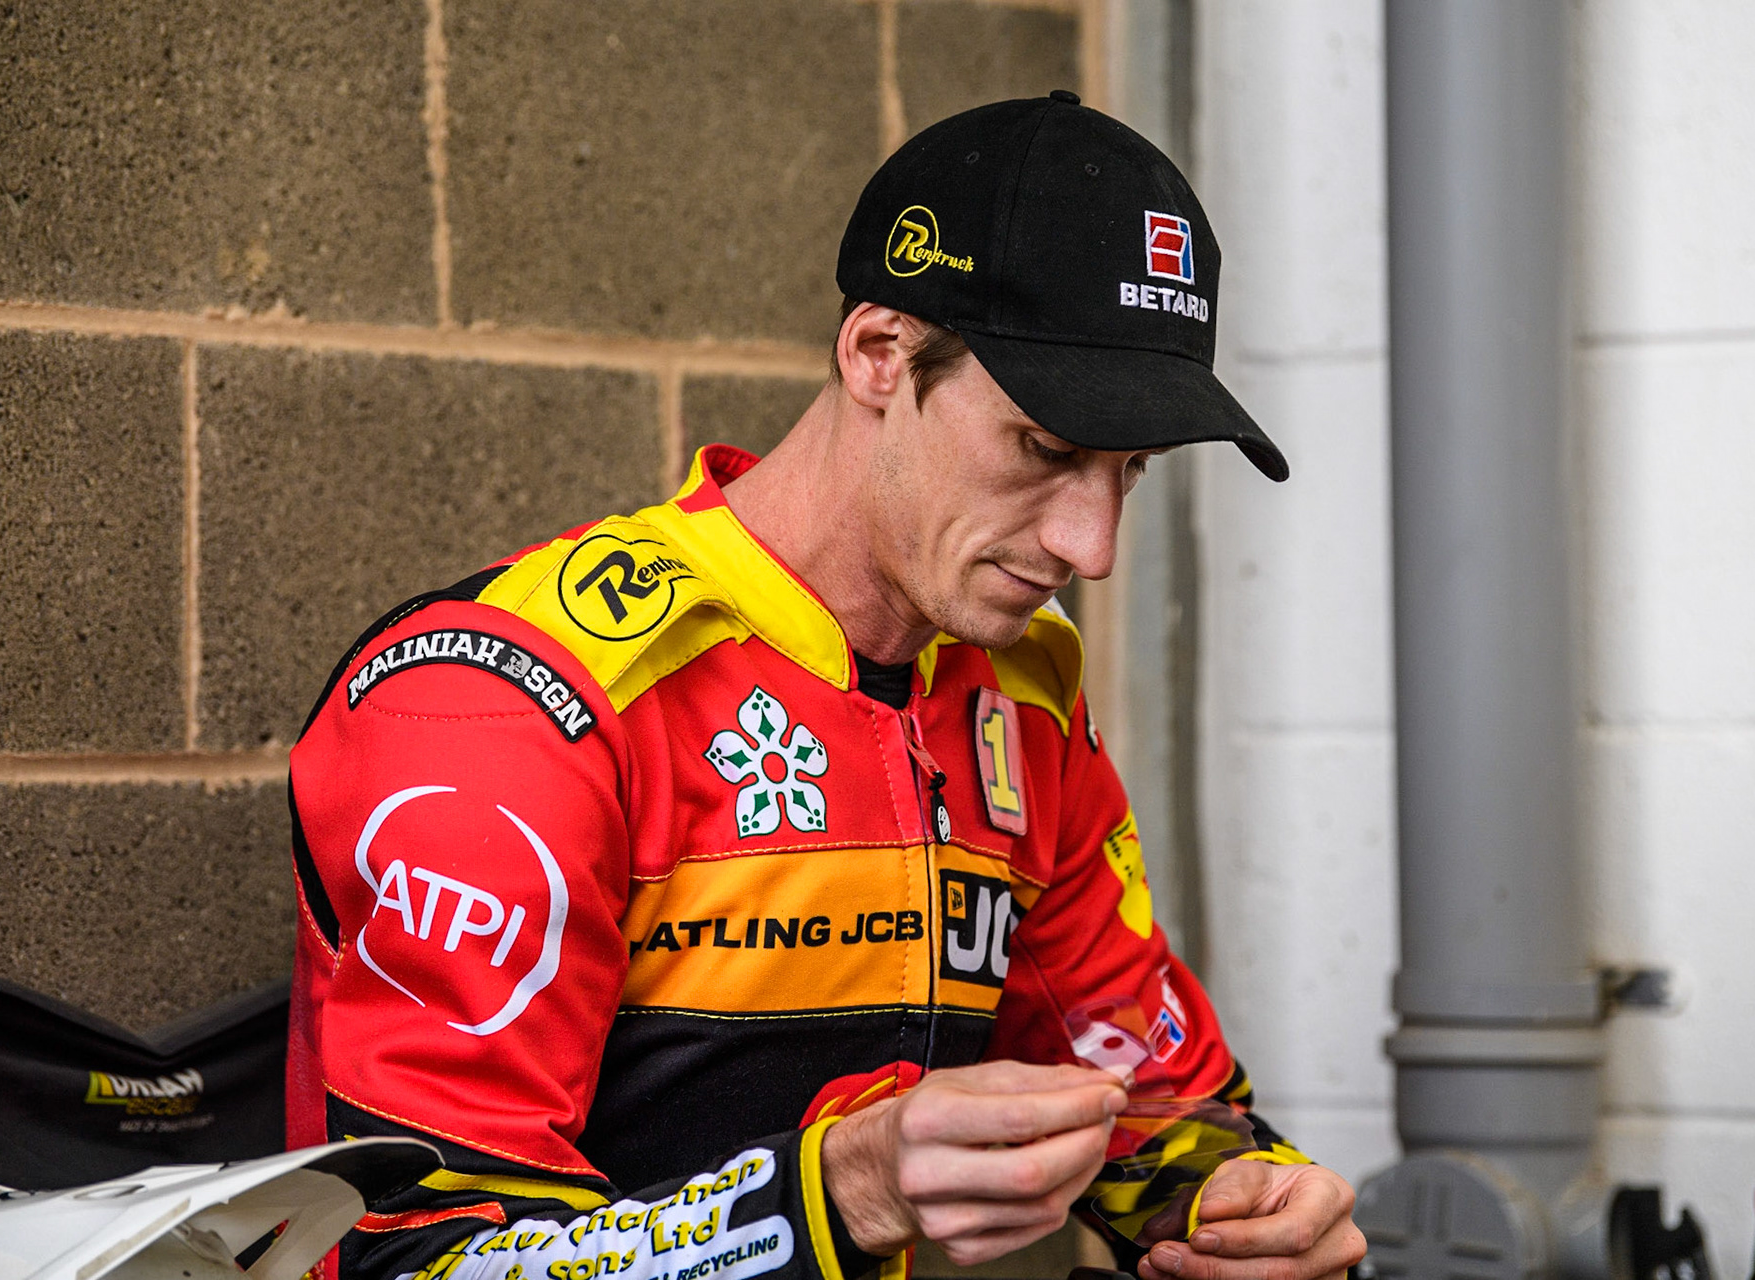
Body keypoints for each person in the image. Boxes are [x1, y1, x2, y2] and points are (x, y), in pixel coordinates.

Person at [286, 93, 1365, 1280]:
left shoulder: (1022, 691)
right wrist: (840, 1186)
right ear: (878, 354)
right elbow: (419, 1261)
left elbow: (1138, 1085)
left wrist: (1242, 1201)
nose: (1090, 544)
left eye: (1131, 470)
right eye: (1046, 448)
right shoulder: (520, 699)